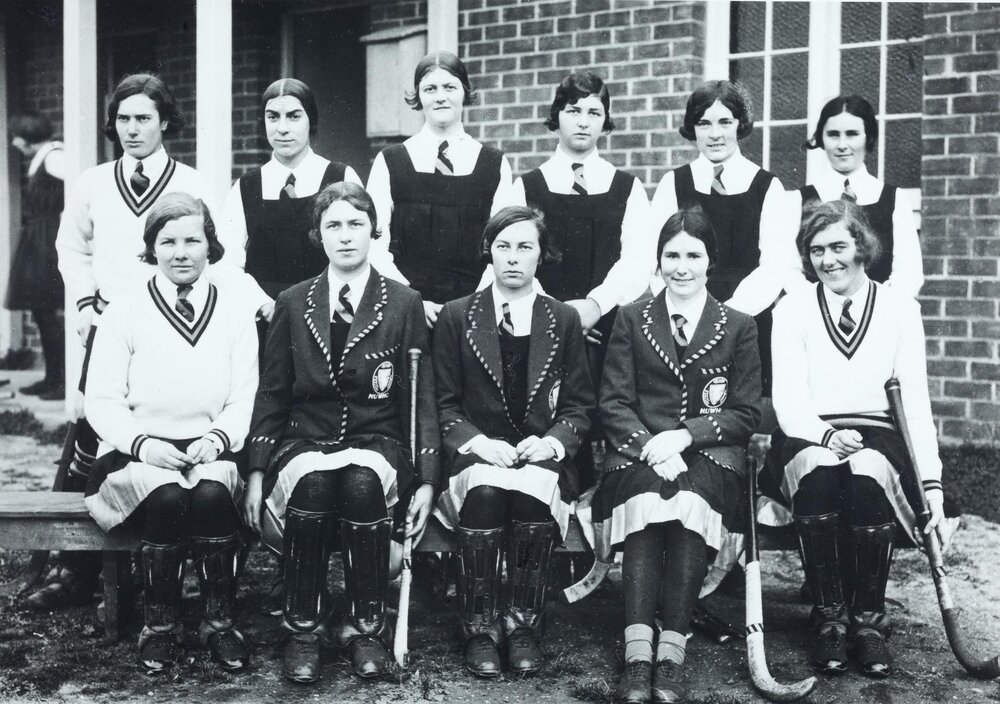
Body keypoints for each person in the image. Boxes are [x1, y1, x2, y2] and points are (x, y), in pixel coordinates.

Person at [40, 73, 248, 611]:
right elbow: (72, 249)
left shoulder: (194, 183)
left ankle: (170, 577)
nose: (132, 129)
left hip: (177, 325)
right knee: (93, 437)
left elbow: (216, 256)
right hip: (113, 324)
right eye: (123, 119)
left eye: (144, 119)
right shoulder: (91, 182)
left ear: (165, 123)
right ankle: (75, 564)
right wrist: (85, 303)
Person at [242, 181, 439, 684]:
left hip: (377, 443)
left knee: (360, 482)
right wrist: (259, 470)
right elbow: (273, 392)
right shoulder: (293, 301)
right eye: (334, 226)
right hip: (306, 440)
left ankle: (364, 625)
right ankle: (302, 627)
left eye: (356, 225)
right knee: (313, 483)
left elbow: (420, 399)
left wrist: (428, 479)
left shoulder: (403, 302)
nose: (346, 236)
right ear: (318, 235)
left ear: (376, 232)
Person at [766, 200, 945, 678]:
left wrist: (933, 488)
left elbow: (917, 406)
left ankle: (867, 621)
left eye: (839, 246)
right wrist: (826, 434)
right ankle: (828, 617)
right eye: (817, 250)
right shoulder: (793, 308)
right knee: (822, 472)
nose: (829, 260)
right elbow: (788, 403)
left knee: (866, 474)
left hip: (878, 432)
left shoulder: (898, 309)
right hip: (809, 429)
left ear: (862, 248)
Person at [592, 207, 762, 703]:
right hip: (638, 453)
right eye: (671, 255)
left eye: (693, 254)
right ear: (658, 260)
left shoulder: (739, 325)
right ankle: (637, 653)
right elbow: (614, 402)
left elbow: (746, 411)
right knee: (648, 504)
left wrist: (686, 436)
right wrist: (650, 445)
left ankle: (670, 656)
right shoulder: (631, 318)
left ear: (711, 261)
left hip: (708, 455)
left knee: (687, 507)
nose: (681, 266)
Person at [83, 193, 257, 674]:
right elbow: (101, 399)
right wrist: (142, 444)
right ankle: (159, 626)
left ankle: (219, 622)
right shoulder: (125, 308)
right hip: (135, 448)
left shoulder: (233, 309)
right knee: (165, 500)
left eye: (192, 240)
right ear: (151, 248)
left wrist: (218, 439)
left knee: (210, 496)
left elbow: (245, 394)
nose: (181, 252)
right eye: (168, 241)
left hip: (208, 445)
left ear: (210, 246)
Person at [434, 206, 594, 678]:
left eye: (525, 247)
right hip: (476, 457)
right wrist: (478, 443)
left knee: (528, 496)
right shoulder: (458, 315)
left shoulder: (561, 319)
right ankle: (479, 625)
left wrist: (552, 443)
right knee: (485, 493)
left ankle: (523, 621)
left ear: (542, 255)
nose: (513, 258)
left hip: (538, 458)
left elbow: (579, 407)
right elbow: (443, 406)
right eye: (503, 246)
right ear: (488, 251)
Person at [484, 71, 653, 490]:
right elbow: (508, 255)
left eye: (594, 112)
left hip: (607, 327)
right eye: (573, 110)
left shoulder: (627, 188)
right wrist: (559, 315)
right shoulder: (524, 186)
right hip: (539, 321)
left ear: (605, 121)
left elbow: (638, 260)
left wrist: (594, 306)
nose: (582, 121)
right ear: (556, 117)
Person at [650, 80, 798, 397]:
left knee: (738, 414)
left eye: (725, 122)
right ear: (693, 128)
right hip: (683, 319)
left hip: (746, 319)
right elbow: (656, 261)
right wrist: (682, 316)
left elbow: (775, 266)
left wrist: (725, 318)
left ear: (739, 124)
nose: (715, 134)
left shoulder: (766, 185)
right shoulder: (672, 184)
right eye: (704, 123)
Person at [366, 51, 515, 328]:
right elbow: (374, 242)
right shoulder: (391, 160)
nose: (440, 96)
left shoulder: (494, 163)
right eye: (430, 88)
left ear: (464, 92)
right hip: (405, 310)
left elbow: (505, 244)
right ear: (419, 97)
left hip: (475, 312)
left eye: (450, 87)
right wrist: (410, 301)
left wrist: (474, 304)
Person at [220, 78, 364, 336]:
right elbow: (226, 263)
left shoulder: (341, 177)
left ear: (311, 121)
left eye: (294, 116)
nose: (282, 128)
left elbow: (362, 252)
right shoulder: (245, 187)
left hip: (329, 318)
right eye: (273, 117)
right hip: (266, 322)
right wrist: (261, 304)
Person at [792, 95, 923, 298]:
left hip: (880, 317)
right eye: (833, 135)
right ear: (821, 138)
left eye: (852, 134)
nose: (842, 144)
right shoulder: (797, 201)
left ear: (868, 137)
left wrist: (877, 307)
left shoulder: (895, 199)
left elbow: (909, 272)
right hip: (817, 318)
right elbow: (788, 270)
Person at [6, 112, 66, 400]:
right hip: (38, 237)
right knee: (41, 309)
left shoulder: (55, 157)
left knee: (49, 309)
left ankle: (62, 380)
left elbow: (79, 191)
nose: (15, 142)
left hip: (49, 238)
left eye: (17, 135)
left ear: (28, 135)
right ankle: (51, 377)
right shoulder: (43, 157)